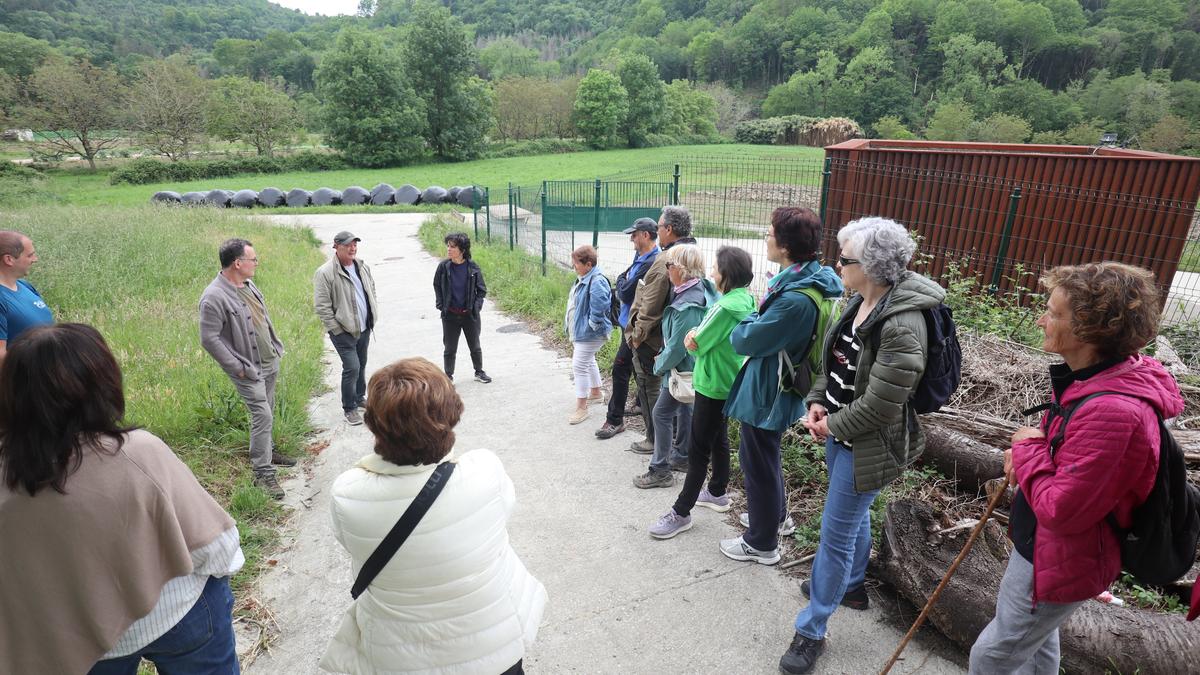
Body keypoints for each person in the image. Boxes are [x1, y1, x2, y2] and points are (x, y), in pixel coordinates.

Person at [968, 262, 1181, 675]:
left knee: (991, 656)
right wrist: (1034, 452)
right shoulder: (1096, 378)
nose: (1041, 319)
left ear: (1090, 328)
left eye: (1053, 312)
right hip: (1047, 551)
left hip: (1061, 556)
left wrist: (1026, 446)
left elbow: (1061, 510)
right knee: (1037, 646)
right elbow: (1069, 460)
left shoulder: (1114, 409)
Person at [0, 323, 243, 675]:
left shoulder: (7, 474)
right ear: (100, 383)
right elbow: (218, 545)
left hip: (81, 641)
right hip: (176, 611)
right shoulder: (136, 453)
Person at [781, 216, 941, 674]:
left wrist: (831, 425)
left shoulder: (902, 324)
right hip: (840, 433)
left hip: (868, 444)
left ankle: (811, 631)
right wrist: (816, 402)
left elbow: (882, 407)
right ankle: (851, 585)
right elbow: (832, 367)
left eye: (844, 259)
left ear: (870, 266)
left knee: (834, 537)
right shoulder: (858, 304)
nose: (837, 265)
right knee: (851, 518)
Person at [321, 357, 547, 675]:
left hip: (403, 658)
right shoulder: (485, 469)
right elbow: (504, 509)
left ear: (373, 424)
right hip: (493, 645)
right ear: (452, 412)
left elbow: (350, 544)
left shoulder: (348, 494)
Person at [721, 207, 842, 567]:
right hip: (781, 384)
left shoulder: (794, 300)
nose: (766, 238)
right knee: (764, 456)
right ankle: (775, 518)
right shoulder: (810, 282)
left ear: (786, 245)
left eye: (770, 233)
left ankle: (761, 543)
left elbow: (744, 339)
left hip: (769, 390)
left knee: (756, 460)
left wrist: (748, 316)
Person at [648, 245, 756, 537]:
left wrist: (691, 336)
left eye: (716, 269)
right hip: (728, 378)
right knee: (718, 437)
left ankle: (681, 512)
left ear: (727, 275)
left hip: (710, 382)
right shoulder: (745, 299)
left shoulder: (722, 308)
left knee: (698, 451)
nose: (712, 273)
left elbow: (695, 343)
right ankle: (717, 491)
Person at [199, 237, 292, 500]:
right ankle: (263, 472)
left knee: (269, 409)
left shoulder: (248, 285)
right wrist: (237, 367)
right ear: (237, 263)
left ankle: (268, 450)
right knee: (262, 414)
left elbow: (262, 320)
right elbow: (209, 338)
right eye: (253, 259)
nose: (257, 263)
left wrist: (275, 346)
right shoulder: (213, 297)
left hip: (268, 361)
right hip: (248, 369)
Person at [633, 244, 714, 489]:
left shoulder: (686, 305)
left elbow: (679, 348)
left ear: (682, 269)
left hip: (681, 370)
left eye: (670, 265)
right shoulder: (696, 290)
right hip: (691, 369)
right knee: (683, 409)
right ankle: (681, 456)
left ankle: (660, 469)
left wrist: (659, 365)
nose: (666, 269)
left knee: (661, 413)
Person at [626, 206, 697, 456]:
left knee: (653, 391)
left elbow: (651, 302)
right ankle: (680, 448)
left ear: (669, 229)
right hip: (679, 339)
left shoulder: (670, 258)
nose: (657, 231)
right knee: (683, 398)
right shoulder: (693, 252)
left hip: (658, 339)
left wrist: (637, 337)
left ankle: (655, 442)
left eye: (659, 226)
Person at [596, 218, 660, 440]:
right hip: (628, 324)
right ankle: (639, 407)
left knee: (620, 368)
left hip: (636, 328)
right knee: (636, 370)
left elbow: (623, 291)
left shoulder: (651, 262)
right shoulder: (640, 257)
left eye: (634, 234)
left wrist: (623, 282)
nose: (631, 238)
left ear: (645, 235)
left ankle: (615, 420)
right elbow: (623, 280)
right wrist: (623, 281)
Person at [314, 230, 379, 426]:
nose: (353, 248)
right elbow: (322, 305)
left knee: (362, 363)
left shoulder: (361, 266)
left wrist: (372, 314)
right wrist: (336, 329)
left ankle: (359, 397)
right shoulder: (325, 272)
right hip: (343, 331)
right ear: (336, 246)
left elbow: (371, 289)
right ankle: (349, 408)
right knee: (352, 367)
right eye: (348, 245)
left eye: (355, 244)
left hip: (364, 328)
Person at [433, 232, 491, 383]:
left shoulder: (473, 267)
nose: (449, 249)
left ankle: (479, 372)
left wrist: (476, 307)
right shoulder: (443, 267)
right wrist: (440, 304)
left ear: (462, 250)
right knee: (450, 348)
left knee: (475, 346)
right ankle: (448, 376)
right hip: (450, 316)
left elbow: (482, 290)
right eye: (448, 246)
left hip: (469, 315)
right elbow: (437, 285)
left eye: (453, 247)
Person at [565, 245, 614, 425]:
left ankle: (582, 408)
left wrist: (590, 326)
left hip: (590, 333)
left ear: (589, 264)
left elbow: (599, 307)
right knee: (588, 360)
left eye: (576, 263)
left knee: (579, 366)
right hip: (583, 331)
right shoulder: (585, 277)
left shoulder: (597, 281)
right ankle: (595, 392)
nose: (574, 266)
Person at [0, 230, 53, 362]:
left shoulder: (26, 286)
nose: (35, 259)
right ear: (9, 259)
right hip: (26, 379)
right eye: (30, 255)